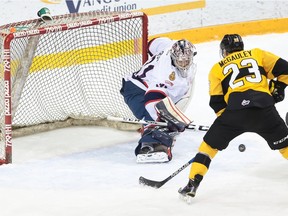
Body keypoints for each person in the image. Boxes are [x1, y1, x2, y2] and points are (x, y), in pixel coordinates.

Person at [178, 34, 288, 202]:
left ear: (224, 51)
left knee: (208, 147)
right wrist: (279, 88)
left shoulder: (216, 68)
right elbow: (285, 69)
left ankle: (193, 183)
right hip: (264, 109)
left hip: (234, 112)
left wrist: (225, 124)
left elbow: (216, 102)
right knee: (285, 146)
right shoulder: (257, 54)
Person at [120, 37, 197, 163]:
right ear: (173, 57)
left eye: (186, 61)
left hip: (151, 89)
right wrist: (172, 120)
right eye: (180, 61)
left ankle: (157, 129)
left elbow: (152, 43)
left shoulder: (170, 46)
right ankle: (148, 146)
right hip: (136, 90)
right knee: (157, 120)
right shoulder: (165, 73)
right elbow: (152, 101)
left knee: (166, 119)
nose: (183, 64)